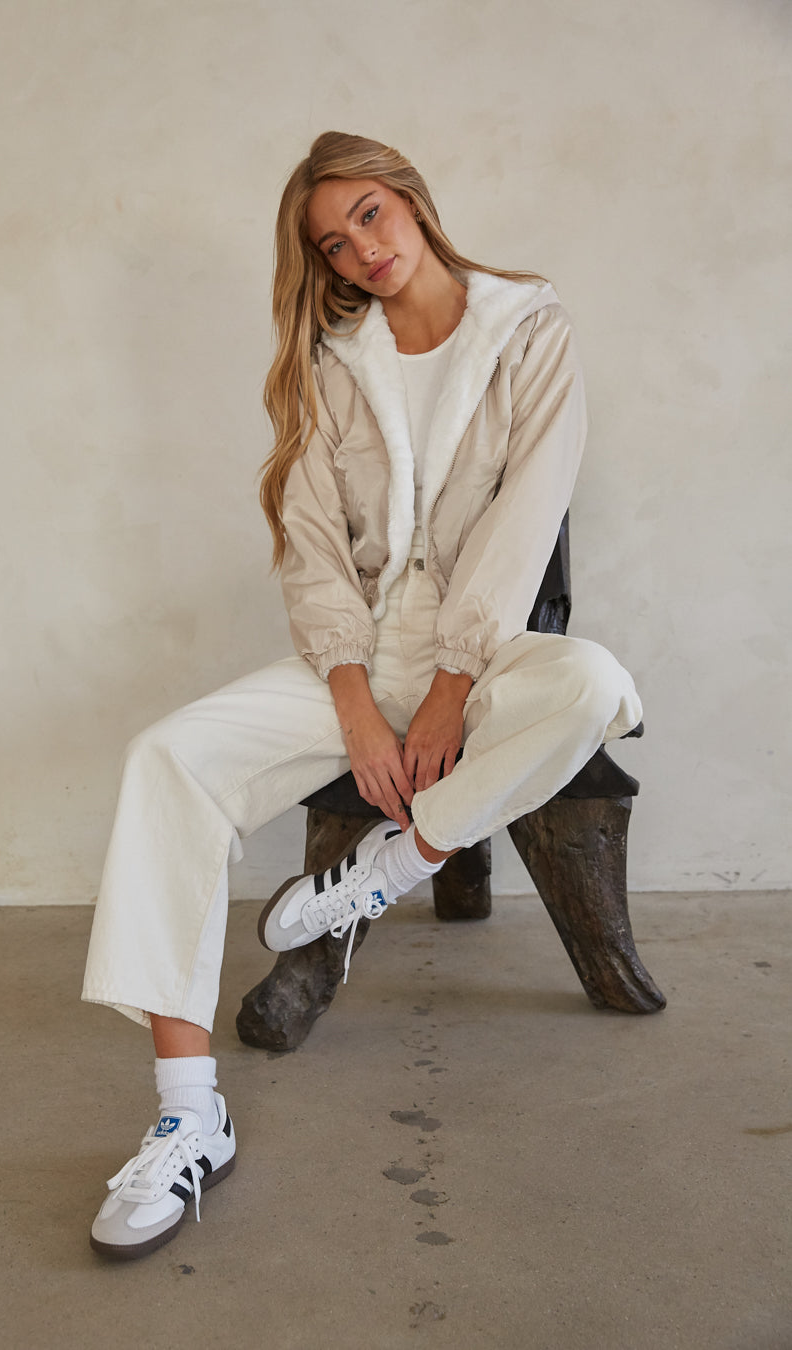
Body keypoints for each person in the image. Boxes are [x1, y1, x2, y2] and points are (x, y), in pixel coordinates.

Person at [82, 131, 643, 1260]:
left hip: (484, 657)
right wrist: (352, 698)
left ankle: (395, 865)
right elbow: (311, 546)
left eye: (368, 216)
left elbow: (526, 519)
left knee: (594, 682)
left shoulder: (530, 329)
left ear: (410, 199)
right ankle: (189, 1115)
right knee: (165, 759)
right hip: (359, 656)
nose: (360, 250)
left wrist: (450, 687)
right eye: (334, 244)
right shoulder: (333, 360)